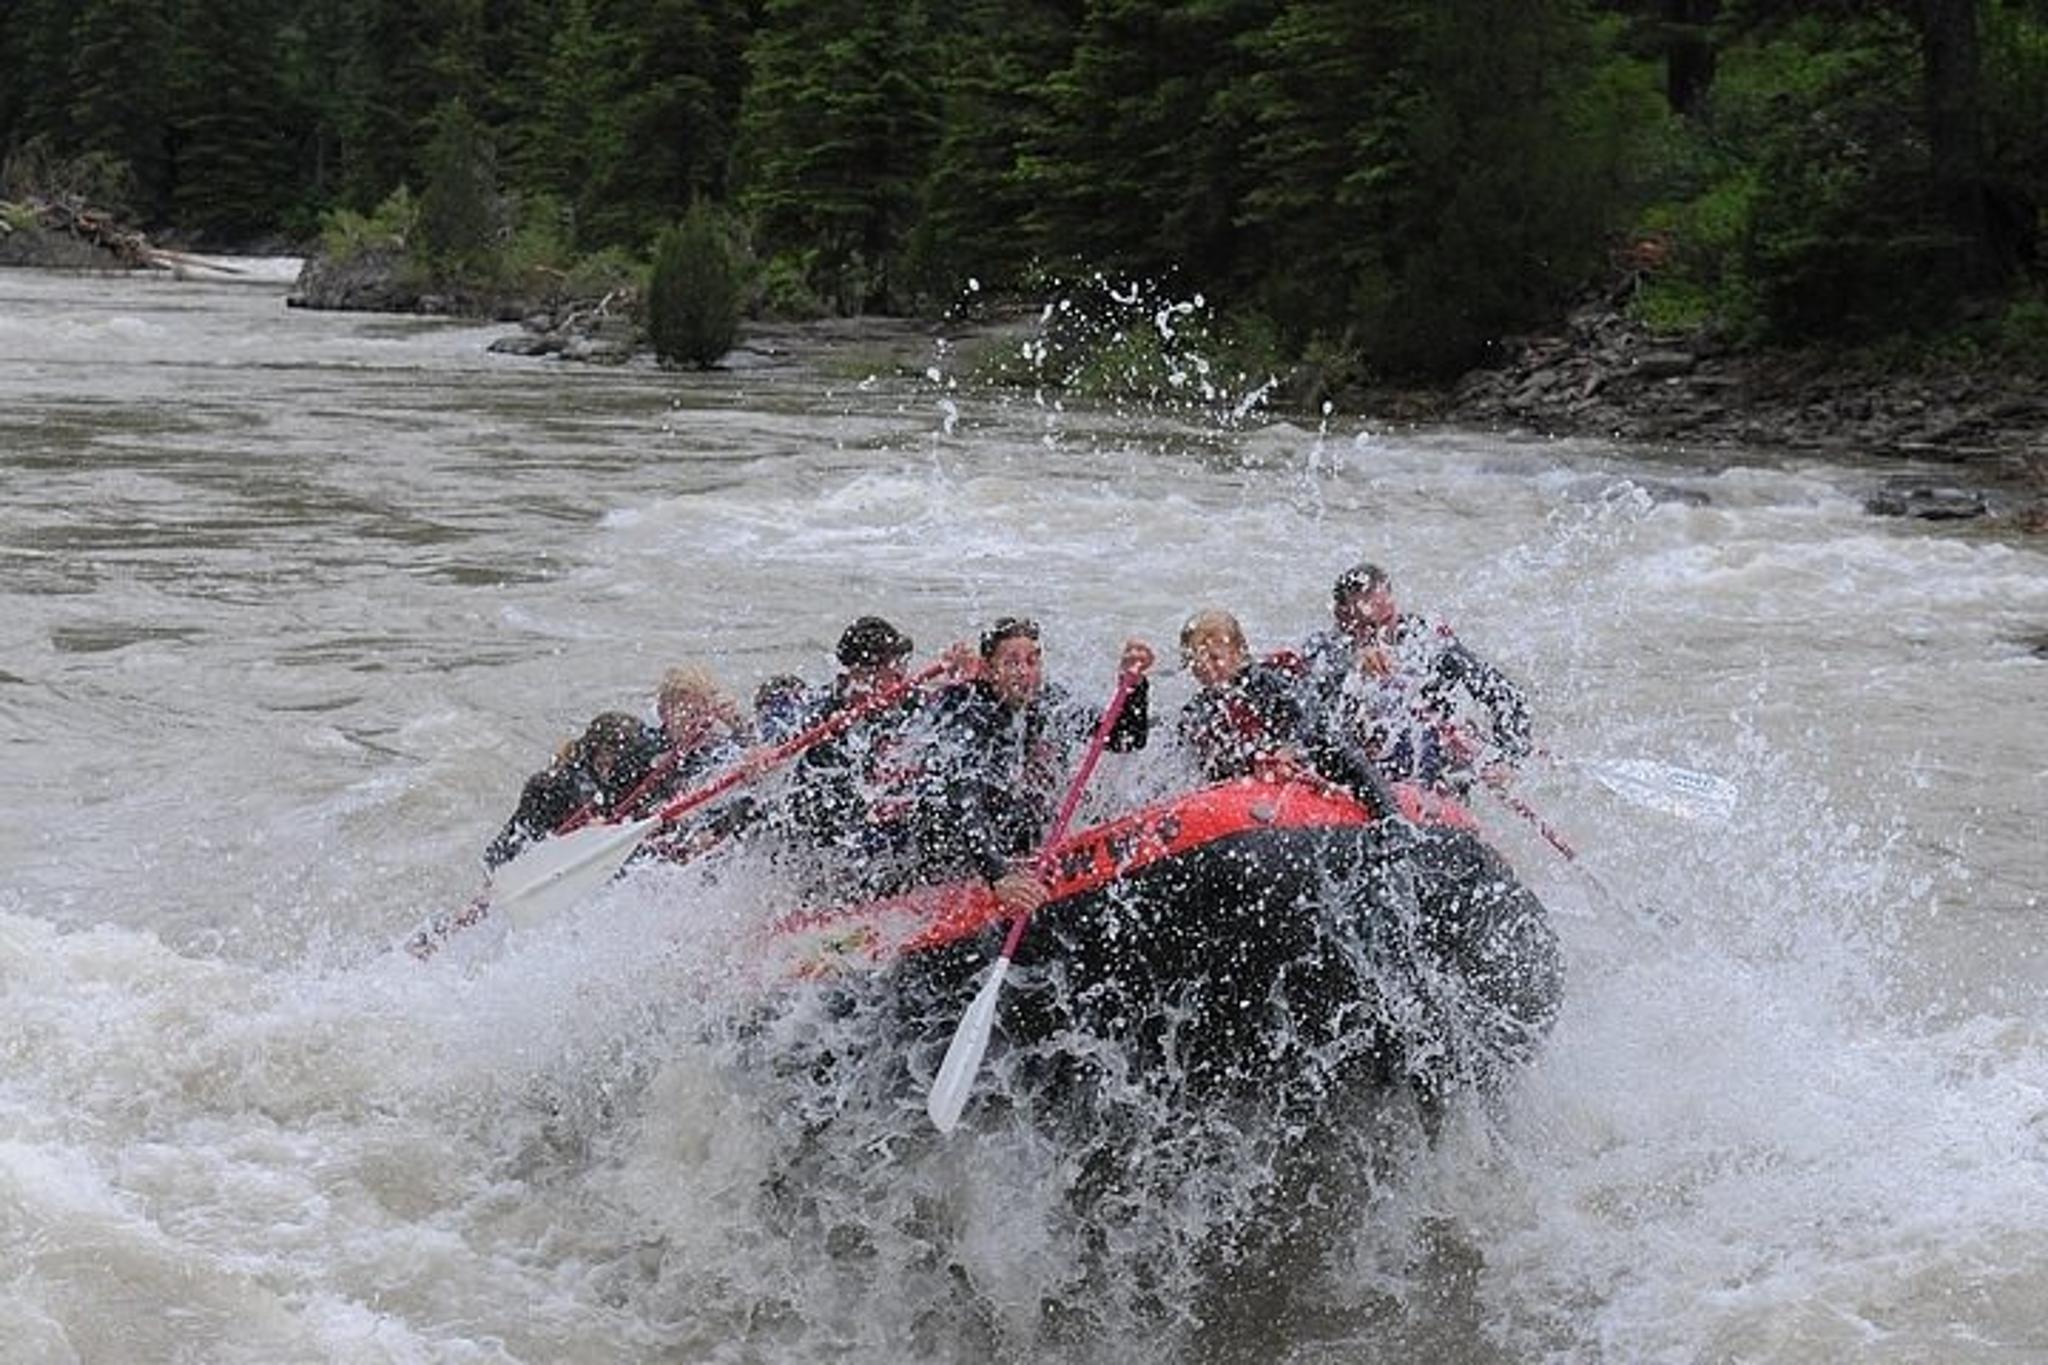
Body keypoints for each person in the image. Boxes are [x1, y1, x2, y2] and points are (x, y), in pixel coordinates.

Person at [917, 617, 1156, 916]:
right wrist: (999, 875)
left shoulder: (1048, 702)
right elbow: (964, 799)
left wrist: (1134, 686)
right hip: (956, 838)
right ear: (990, 671)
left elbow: (1124, 739)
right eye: (1012, 662)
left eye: (1032, 661)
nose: (1025, 672)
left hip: (1014, 828)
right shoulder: (969, 712)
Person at [1302, 562, 1532, 792]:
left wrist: (1508, 760)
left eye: (1385, 621)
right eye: (1367, 626)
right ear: (1341, 619)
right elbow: (1311, 704)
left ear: (1393, 605)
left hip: (1423, 778)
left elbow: (1509, 698)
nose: (1378, 634)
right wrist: (1354, 662)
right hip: (1348, 775)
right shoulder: (1325, 649)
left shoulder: (1429, 644)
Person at [788, 616, 933, 875]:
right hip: (827, 841)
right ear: (857, 675)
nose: (901, 681)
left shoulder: (910, 701)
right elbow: (783, 737)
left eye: (902, 671)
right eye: (892, 674)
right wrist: (761, 756)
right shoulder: (821, 717)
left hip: (890, 830)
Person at [482, 710, 665, 869]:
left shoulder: (614, 779)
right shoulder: (553, 785)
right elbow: (505, 849)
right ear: (604, 752)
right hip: (527, 862)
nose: (634, 767)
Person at [1174, 609, 1306, 782]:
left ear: (1238, 653)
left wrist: (1287, 750)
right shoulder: (1196, 710)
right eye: (1198, 660)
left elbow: (1303, 724)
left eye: (1215, 657)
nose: (1205, 667)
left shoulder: (1265, 685)